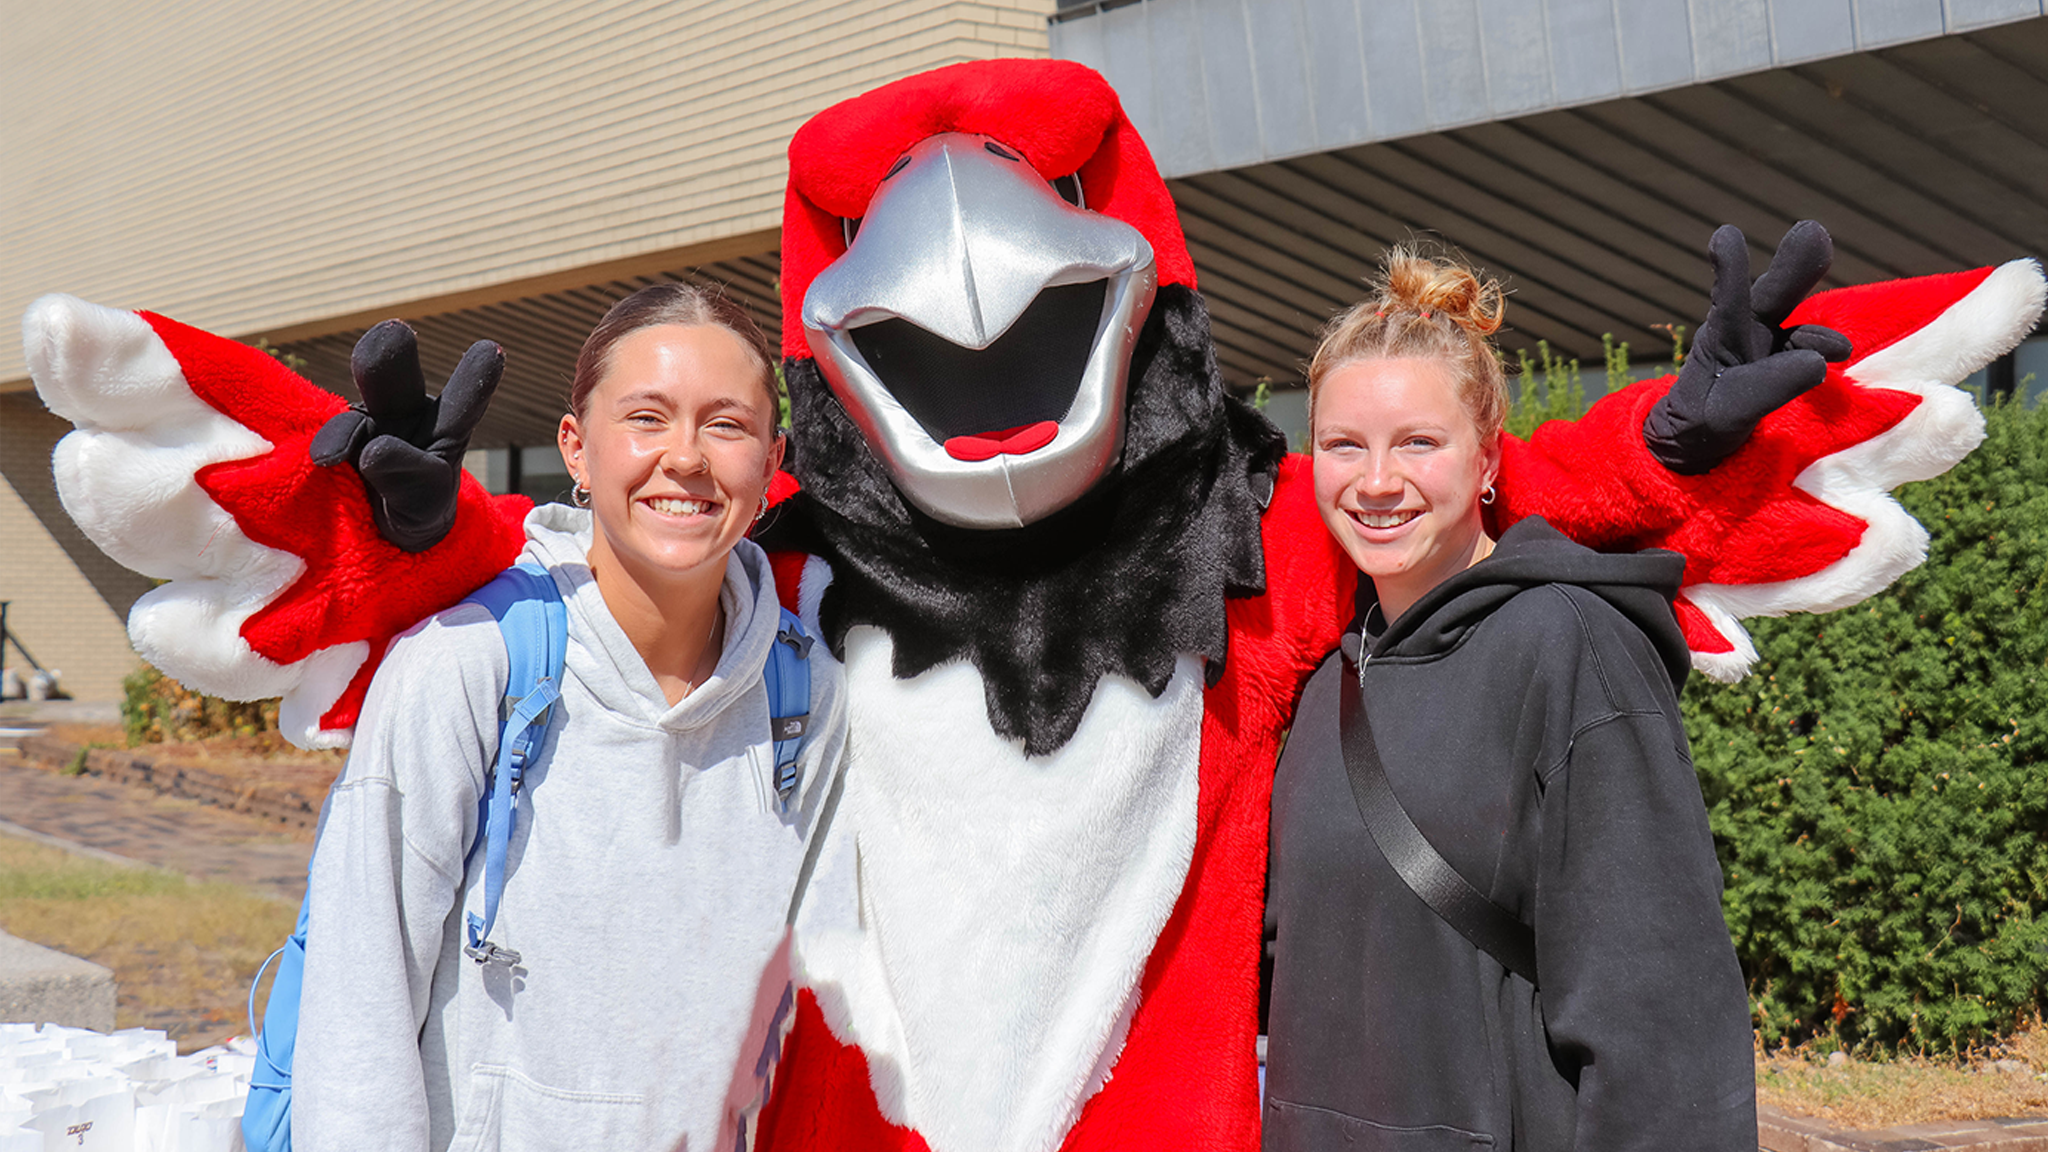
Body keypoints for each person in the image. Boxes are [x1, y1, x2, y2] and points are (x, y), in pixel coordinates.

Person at [293, 283, 847, 1152]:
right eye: (647, 418)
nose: (687, 459)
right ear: (576, 449)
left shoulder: (810, 687)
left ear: (773, 461)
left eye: (727, 425)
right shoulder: (468, 663)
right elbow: (357, 1000)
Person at [1261, 248, 1757, 1151]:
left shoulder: (1571, 646)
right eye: (1344, 444)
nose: (1376, 482)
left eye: (1418, 441)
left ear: (1487, 457)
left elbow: (1660, 1017)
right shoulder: (1322, 679)